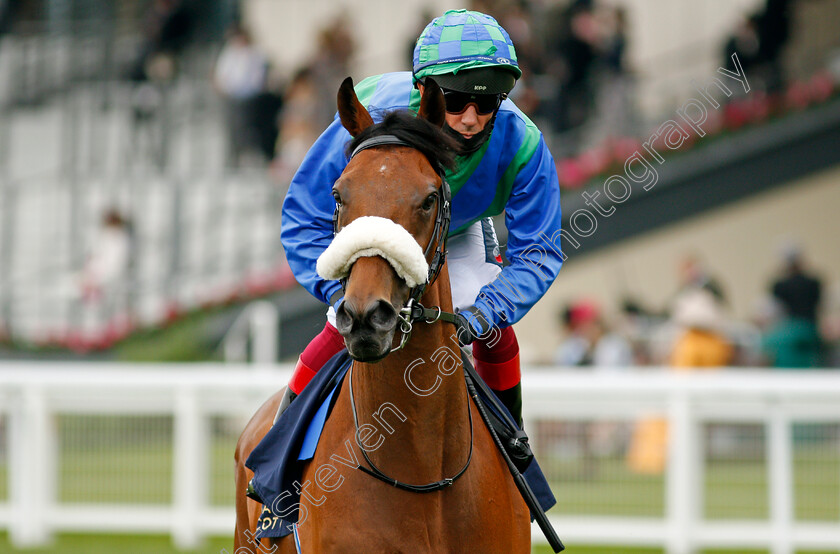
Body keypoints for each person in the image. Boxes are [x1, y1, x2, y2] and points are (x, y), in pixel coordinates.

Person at [278, 9, 564, 426]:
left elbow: (538, 251)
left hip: (458, 228)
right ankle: (279, 449)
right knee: (341, 323)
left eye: (485, 102)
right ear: (423, 91)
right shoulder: (369, 114)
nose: (470, 119)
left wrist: (486, 310)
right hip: (375, 228)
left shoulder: (523, 142)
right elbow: (305, 216)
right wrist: (336, 293)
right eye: (455, 100)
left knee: (493, 330)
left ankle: (513, 450)